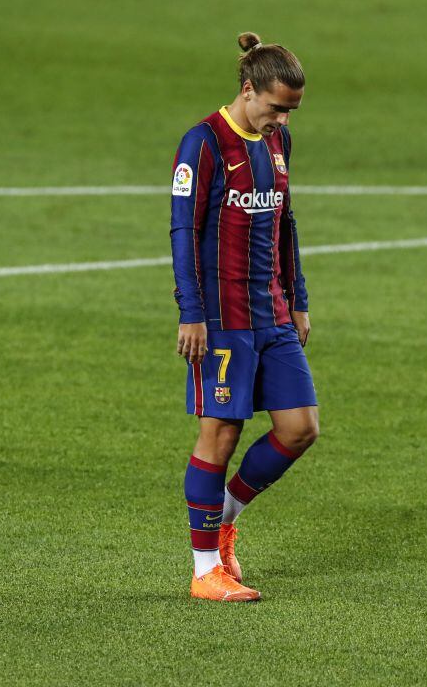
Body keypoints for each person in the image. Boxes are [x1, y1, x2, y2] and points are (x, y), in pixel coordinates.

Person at [169, 32, 318, 602]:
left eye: (290, 111)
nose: (281, 119)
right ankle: (205, 568)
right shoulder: (202, 143)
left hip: (272, 312)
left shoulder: (278, 143)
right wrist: (192, 312)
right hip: (222, 318)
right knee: (221, 433)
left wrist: (298, 297)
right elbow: (184, 232)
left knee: (300, 429)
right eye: (276, 107)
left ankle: (222, 519)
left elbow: (285, 222)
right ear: (248, 89)